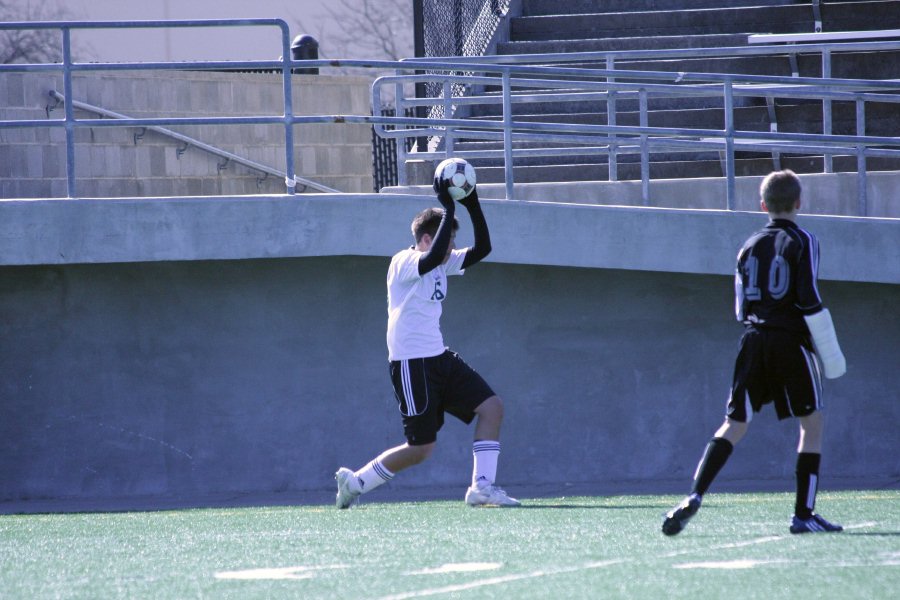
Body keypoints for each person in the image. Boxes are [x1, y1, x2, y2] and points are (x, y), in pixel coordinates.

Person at [662, 169, 847, 536]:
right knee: (811, 424)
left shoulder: (748, 244)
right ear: (799, 203)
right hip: (788, 341)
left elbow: (739, 307)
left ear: (763, 205)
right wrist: (830, 351)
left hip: (752, 338)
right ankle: (803, 514)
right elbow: (809, 298)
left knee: (735, 423)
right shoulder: (804, 240)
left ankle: (695, 494)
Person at [334, 178, 520, 509]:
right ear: (424, 239)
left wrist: (472, 202)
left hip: (439, 357)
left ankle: (482, 488)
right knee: (421, 448)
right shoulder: (403, 261)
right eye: (446, 240)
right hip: (411, 363)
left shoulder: (439, 260)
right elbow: (433, 258)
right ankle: (356, 483)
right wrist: (448, 207)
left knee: (492, 407)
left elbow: (482, 250)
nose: (452, 248)